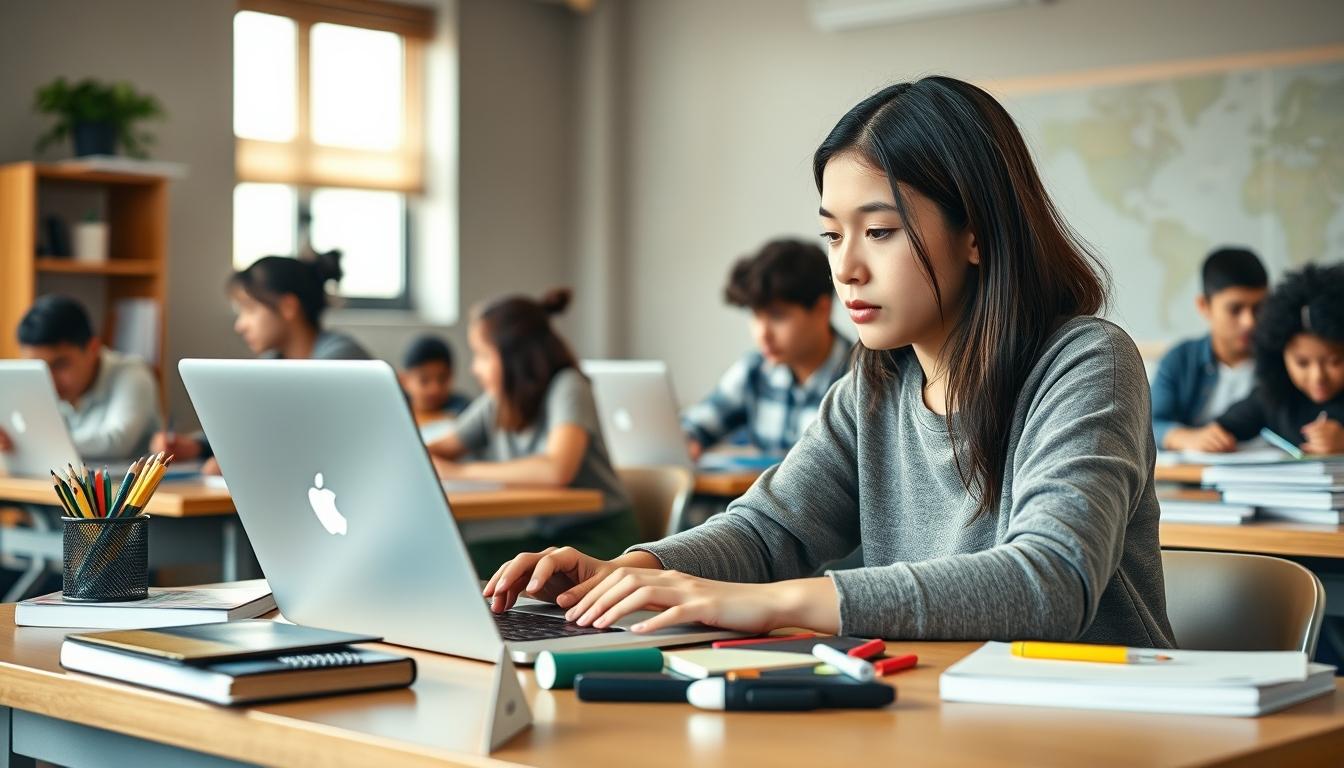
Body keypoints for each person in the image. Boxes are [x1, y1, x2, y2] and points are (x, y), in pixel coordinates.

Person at [482, 77, 1173, 647]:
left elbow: (1047, 583)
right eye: (831, 234)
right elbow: (769, 530)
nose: (846, 268)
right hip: (937, 713)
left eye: (879, 232)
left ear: (977, 235)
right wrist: (632, 569)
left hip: (1091, 722)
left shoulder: (1087, 362)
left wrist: (774, 603)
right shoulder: (875, 386)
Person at [426, 289, 638, 574]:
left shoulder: (568, 386)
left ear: (516, 357)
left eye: (483, 356)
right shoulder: (498, 401)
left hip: (600, 538)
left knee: (462, 568)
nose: (475, 368)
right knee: (449, 560)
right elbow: (439, 448)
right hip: (550, 539)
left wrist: (460, 472)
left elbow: (557, 469)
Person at [151, 253, 371, 470]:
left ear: (288, 307)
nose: (240, 325)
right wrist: (195, 446)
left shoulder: (342, 360)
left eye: (249, 309)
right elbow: (251, 427)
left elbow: (292, 436)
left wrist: (237, 462)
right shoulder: (272, 364)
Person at [681, 239, 851, 460]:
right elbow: (697, 424)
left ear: (822, 309)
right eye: (755, 315)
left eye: (777, 316)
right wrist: (687, 440)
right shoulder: (755, 370)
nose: (762, 333)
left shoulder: (861, 378)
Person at [0, 295, 158, 460]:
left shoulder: (133, 374)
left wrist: (29, 443)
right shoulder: (45, 384)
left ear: (93, 349)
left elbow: (116, 442)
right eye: (37, 367)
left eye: (60, 364)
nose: (49, 379)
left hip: (130, 485)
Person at [1214, 263, 1344, 454]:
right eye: (1302, 363)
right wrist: (1209, 438)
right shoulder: (1273, 396)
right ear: (1278, 357)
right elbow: (1221, 429)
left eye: (1334, 361)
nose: (1318, 376)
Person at [1151, 247, 1268, 452]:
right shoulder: (1179, 359)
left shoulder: (1290, 360)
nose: (1249, 322)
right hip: (1195, 479)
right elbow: (1148, 425)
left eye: (1259, 308)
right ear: (1204, 306)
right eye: (1235, 309)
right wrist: (1185, 437)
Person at [400, 334, 472, 442]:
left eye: (442, 379)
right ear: (404, 380)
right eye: (424, 380)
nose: (435, 389)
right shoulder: (398, 407)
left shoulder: (463, 408)